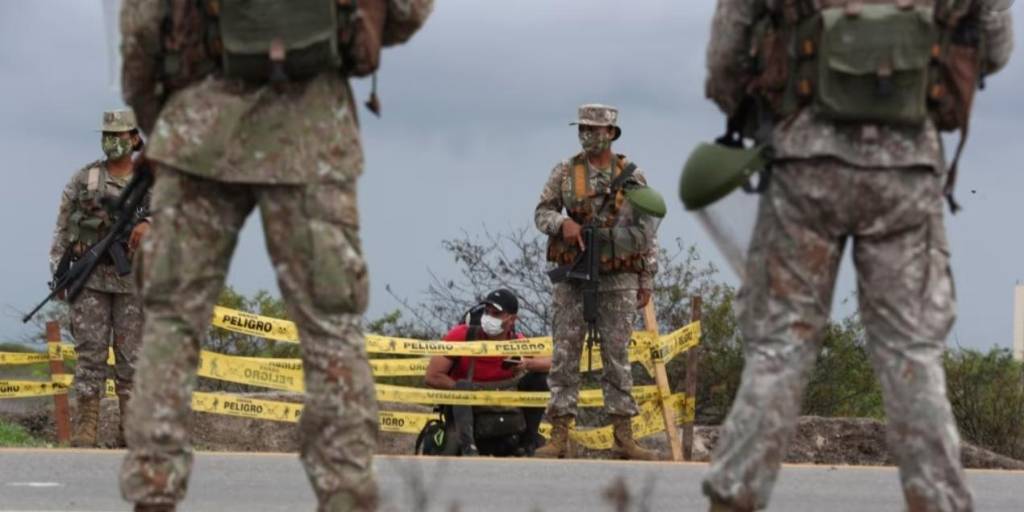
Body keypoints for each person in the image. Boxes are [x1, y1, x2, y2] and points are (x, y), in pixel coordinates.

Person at [117, 1, 434, 511]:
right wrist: (332, 43)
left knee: (171, 321)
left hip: (198, 134)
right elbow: (407, 12)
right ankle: (346, 492)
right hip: (312, 135)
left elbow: (140, 32)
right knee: (331, 327)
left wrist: (164, 122)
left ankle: (154, 490)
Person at [701, 1, 1014, 511]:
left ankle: (735, 497)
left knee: (780, 343)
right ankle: (938, 501)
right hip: (906, 168)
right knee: (911, 349)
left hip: (804, 165)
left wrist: (762, 111)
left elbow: (725, 56)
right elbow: (995, 47)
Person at [533, 104, 662, 461]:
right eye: (582, 129)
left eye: (594, 129)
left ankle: (623, 436)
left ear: (611, 133)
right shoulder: (565, 171)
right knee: (565, 355)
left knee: (617, 356)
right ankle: (559, 435)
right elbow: (541, 212)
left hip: (619, 277)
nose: (587, 135)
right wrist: (562, 224)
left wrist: (647, 278)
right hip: (574, 273)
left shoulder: (632, 176)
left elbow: (647, 232)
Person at [49, 108, 149, 448]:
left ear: (134, 138)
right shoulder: (85, 179)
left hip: (134, 281)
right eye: (107, 135)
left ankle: (130, 429)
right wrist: (60, 275)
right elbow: (63, 227)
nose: (111, 141)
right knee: (89, 355)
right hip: (89, 277)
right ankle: (86, 427)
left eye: (118, 135)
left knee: (132, 357)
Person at [424, 289, 551, 456]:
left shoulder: (518, 342)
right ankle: (468, 448)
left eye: (496, 314)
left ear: (512, 319)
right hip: (467, 412)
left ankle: (528, 443)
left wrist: (527, 363)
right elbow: (432, 376)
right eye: (487, 312)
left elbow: (553, 362)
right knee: (462, 386)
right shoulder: (462, 335)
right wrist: (465, 390)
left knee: (538, 379)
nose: (489, 317)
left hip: (503, 411)